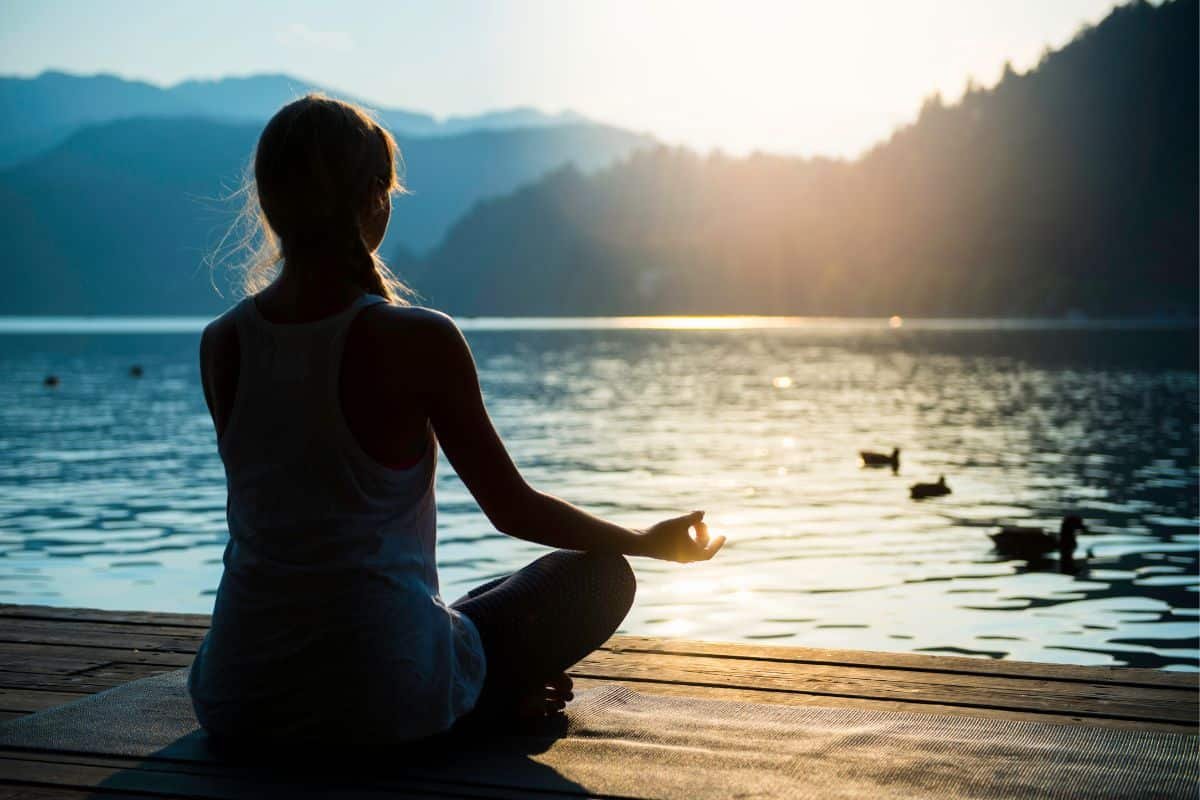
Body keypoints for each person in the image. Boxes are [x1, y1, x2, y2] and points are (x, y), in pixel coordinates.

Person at [187, 94, 725, 746]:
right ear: (376, 202)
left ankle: (481, 685)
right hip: (381, 696)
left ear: (270, 208)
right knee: (599, 574)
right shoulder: (418, 338)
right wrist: (646, 539)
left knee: (469, 601)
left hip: (239, 697)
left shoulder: (224, 343)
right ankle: (488, 699)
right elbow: (513, 509)